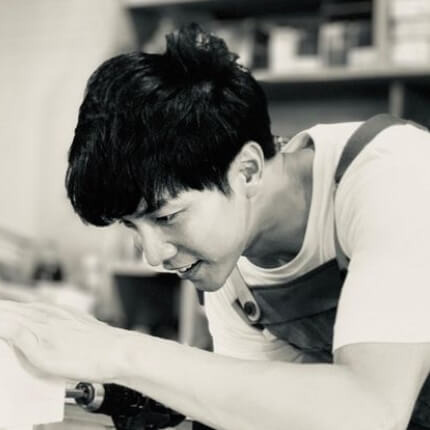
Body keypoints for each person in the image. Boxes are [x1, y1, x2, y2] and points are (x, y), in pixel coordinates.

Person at [1, 23, 430, 430]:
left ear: (247, 171)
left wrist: (115, 350)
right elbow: (275, 417)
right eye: (132, 227)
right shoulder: (229, 260)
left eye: (166, 217)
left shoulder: (396, 175)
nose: (154, 256)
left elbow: (370, 410)